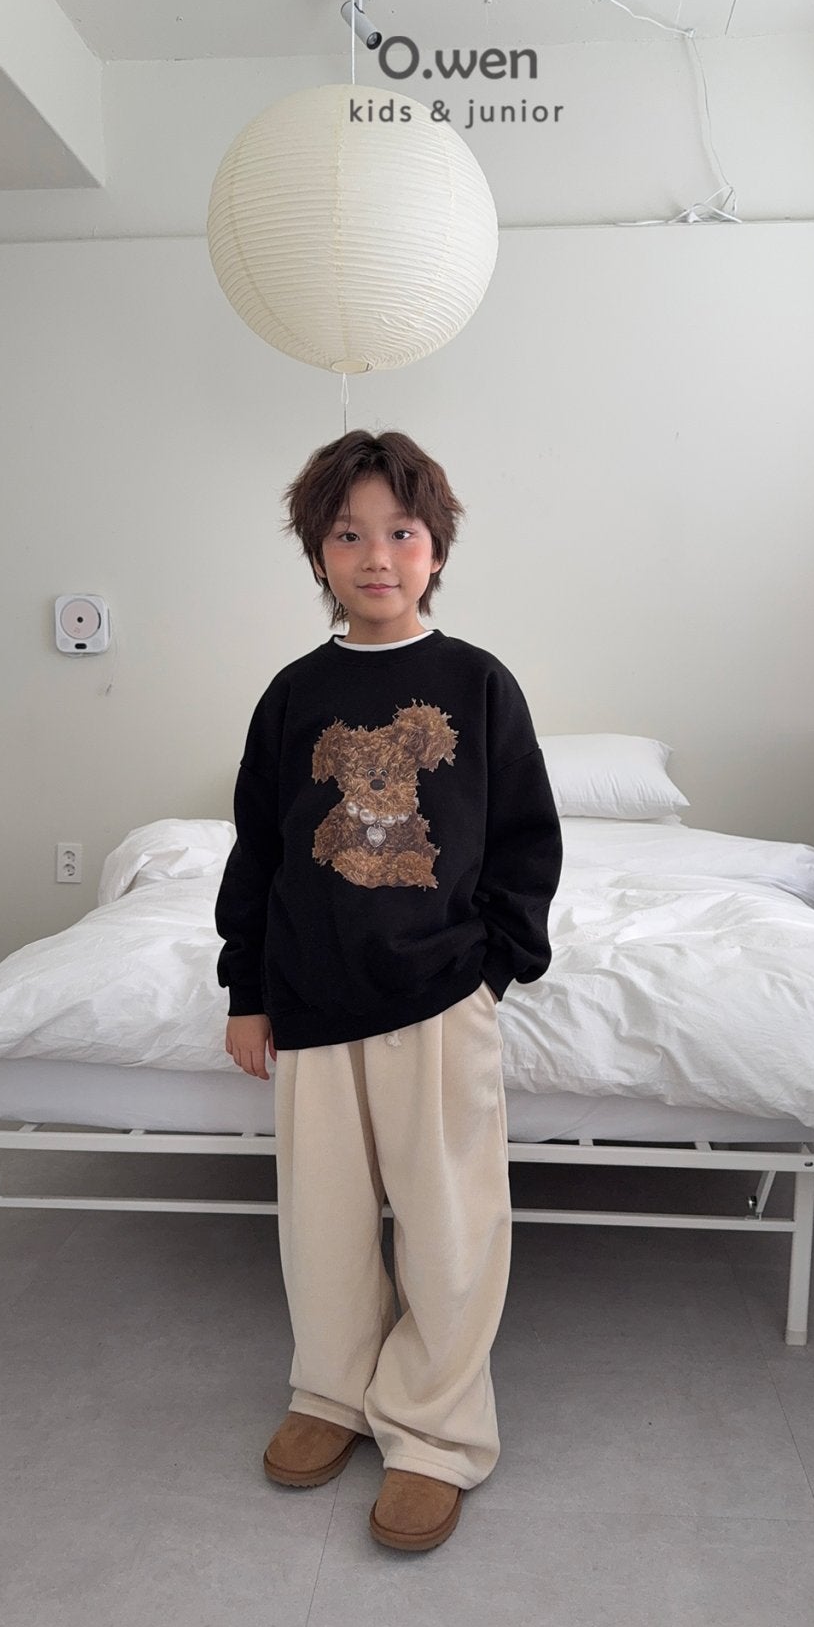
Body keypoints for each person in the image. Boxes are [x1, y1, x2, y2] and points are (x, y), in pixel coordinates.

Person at [214, 428, 563, 1553]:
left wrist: (494, 966)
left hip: (439, 996)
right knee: (319, 1220)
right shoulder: (293, 695)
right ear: (317, 553)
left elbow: (525, 842)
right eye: (348, 534)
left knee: (449, 1225)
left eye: (400, 532)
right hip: (311, 997)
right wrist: (246, 989)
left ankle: (434, 1431)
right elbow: (259, 852)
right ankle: (330, 1389)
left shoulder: (477, 684)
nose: (376, 555)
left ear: (435, 549)